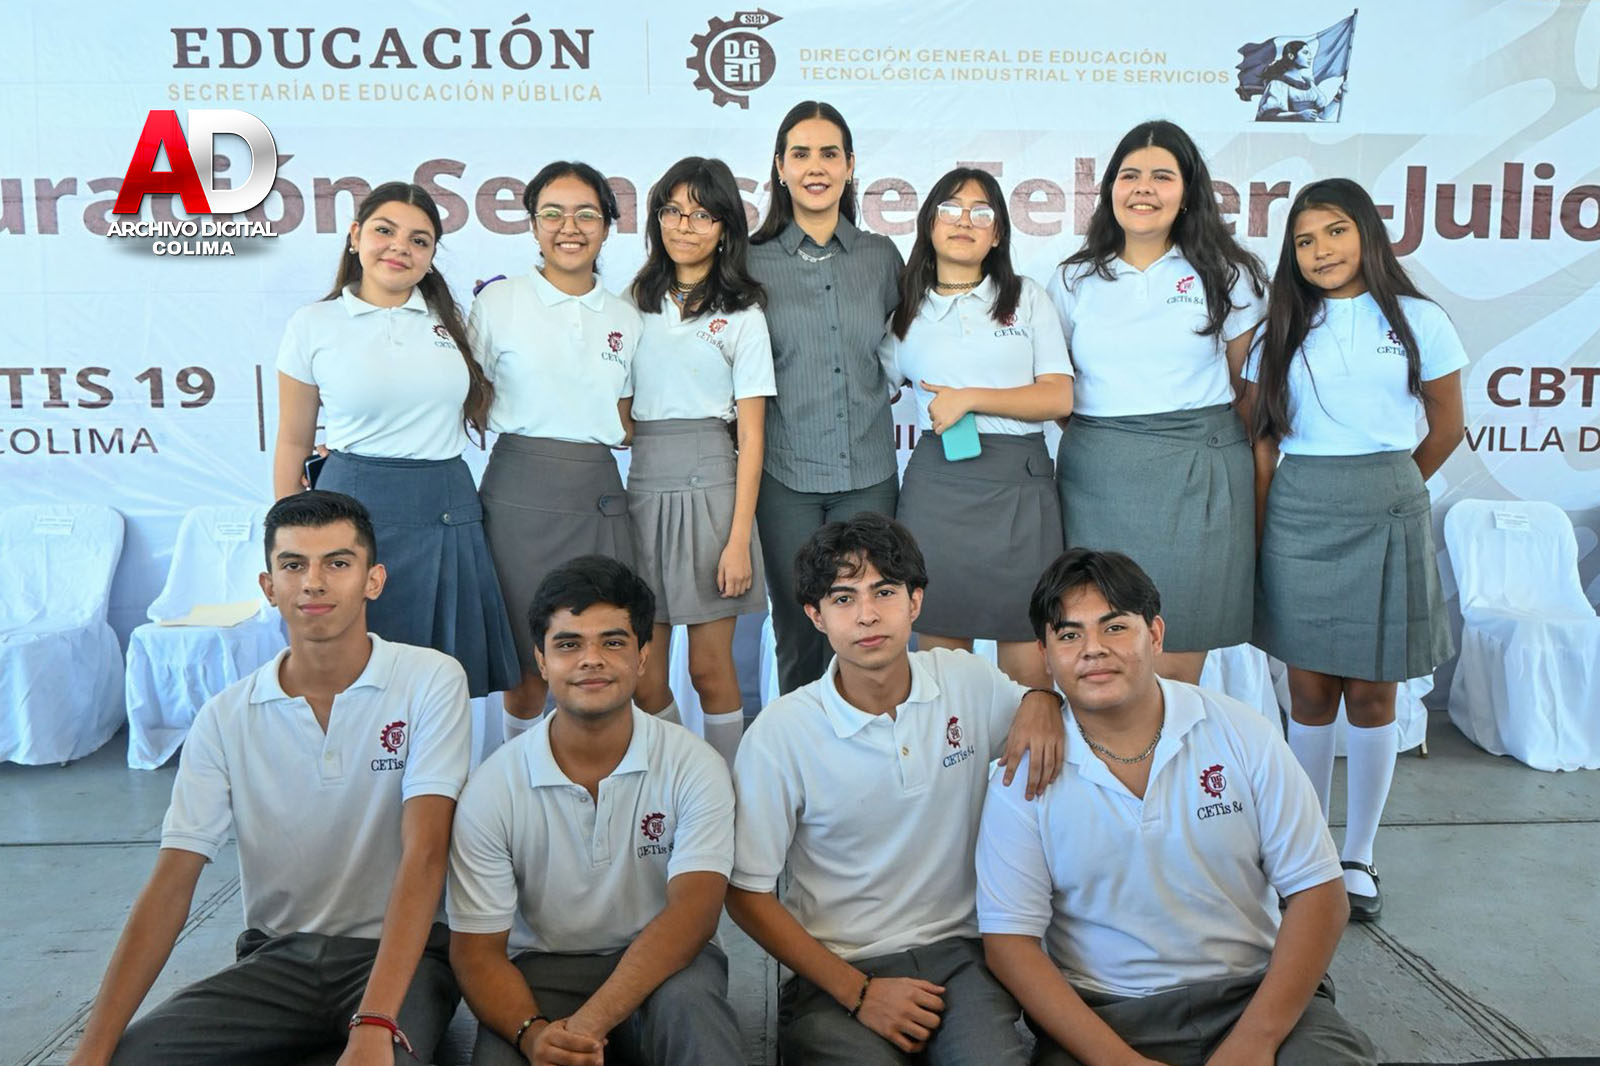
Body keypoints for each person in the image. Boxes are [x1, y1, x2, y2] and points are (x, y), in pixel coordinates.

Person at [69, 491, 470, 1066]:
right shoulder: (225, 716)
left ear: (373, 580)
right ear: (268, 586)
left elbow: (426, 852)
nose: (314, 583)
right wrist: (92, 1049)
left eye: (337, 563)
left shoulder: (429, 680)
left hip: (401, 958)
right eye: (293, 565)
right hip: (276, 959)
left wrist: (376, 1022)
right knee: (128, 1060)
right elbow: (172, 882)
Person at [977, 548, 1376, 1066]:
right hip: (1108, 1015)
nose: (1093, 649)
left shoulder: (1242, 732)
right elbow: (1010, 943)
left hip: (1253, 997)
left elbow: (1320, 892)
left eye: (1115, 627)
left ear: (1156, 634)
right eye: (1070, 635)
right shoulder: (1022, 774)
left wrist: (1255, 1041)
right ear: (1045, 655)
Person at [726, 512, 1066, 1065]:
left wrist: (1043, 698)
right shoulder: (780, 733)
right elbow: (745, 893)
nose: (867, 614)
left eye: (884, 592)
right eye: (843, 598)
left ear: (915, 602)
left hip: (962, 958)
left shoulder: (966, 680)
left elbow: (1044, 711)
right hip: (838, 968)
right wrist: (858, 992)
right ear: (814, 616)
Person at [1244, 178, 1466, 922]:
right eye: (1305, 240)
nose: (1321, 251)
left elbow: (1447, 424)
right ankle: (1308, 854)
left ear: (1368, 232)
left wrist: (1391, 489)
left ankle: (1359, 855)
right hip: (1299, 512)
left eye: (1335, 231)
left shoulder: (1420, 319)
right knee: (1309, 693)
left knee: (1373, 694)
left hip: (1387, 505)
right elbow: (1263, 443)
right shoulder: (1280, 327)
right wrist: (1262, 532)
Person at [446, 555, 742, 1066]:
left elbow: (693, 916)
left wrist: (588, 1025)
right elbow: (477, 952)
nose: (591, 660)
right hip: (543, 972)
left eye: (613, 642)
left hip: (669, 967)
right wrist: (534, 1036)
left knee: (697, 1014)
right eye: (568, 644)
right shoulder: (493, 787)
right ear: (541, 662)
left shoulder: (694, 765)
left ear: (643, 657)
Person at [273, 181, 519, 698]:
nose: (399, 247)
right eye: (385, 231)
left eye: (419, 240)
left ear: (431, 257)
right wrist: (287, 546)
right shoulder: (312, 324)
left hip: (445, 508)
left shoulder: (456, 324)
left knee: (443, 680)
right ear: (355, 235)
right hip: (348, 510)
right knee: (350, 678)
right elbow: (293, 441)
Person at [1048, 120, 1269, 685]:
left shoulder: (1229, 274)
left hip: (1198, 476)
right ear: (1109, 190)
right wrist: (1116, 439)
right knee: (1099, 648)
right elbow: (1059, 387)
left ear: (1188, 191)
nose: (1143, 188)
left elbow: (1248, 389)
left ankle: (1173, 746)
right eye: (1130, 175)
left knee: (1176, 658)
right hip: (1098, 480)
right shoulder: (1073, 279)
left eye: (1162, 176)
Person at [881, 166, 1074, 689]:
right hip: (938, 488)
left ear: (999, 233)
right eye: (950, 209)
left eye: (980, 212)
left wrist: (970, 398)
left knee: (1030, 669)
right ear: (929, 224)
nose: (964, 221)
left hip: (1019, 487)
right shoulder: (904, 312)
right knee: (944, 671)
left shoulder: (1026, 297)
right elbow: (869, 388)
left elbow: (1059, 397)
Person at [471, 161, 643, 739]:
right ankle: (514, 781)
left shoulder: (625, 316)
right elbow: (462, 396)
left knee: (605, 656)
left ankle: (605, 778)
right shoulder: (498, 303)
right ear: (532, 224)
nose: (569, 227)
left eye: (586, 214)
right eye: (553, 213)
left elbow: (627, 420)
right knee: (526, 666)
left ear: (608, 226)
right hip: (517, 496)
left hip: (597, 495)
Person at [749, 100, 904, 695]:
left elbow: (915, 345)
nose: (816, 167)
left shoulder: (881, 257)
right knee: (799, 630)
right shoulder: (749, 260)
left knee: (870, 626)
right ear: (780, 167)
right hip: (784, 477)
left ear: (850, 165)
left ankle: (871, 741)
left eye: (829, 153)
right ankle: (799, 746)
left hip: (868, 474)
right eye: (801, 153)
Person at [624, 155, 775, 765]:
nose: (684, 226)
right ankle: (685, 779)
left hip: (714, 491)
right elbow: (619, 411)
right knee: (643, 677)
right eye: (673, 211)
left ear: (726, 228)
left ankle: (728, 791)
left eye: (702, 215)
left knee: (710, 671)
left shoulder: (743, 314)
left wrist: (739, 541)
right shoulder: (630, 303)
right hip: (642, 492)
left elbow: (753, 437)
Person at [1256, 39, 1346, 122]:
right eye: (1305, 53)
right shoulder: (1278, 83)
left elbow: (1323, 115)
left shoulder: (1309, 83)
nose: (1310, 57)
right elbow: (1269, 116)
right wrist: (1298, 115)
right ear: (1291, 56)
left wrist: (1338, 97)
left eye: (1310, 54)